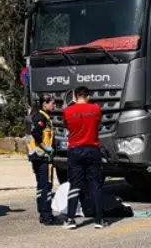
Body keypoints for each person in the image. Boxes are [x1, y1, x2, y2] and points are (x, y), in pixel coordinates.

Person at [63, 85, 105, 229]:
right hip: (92, 149)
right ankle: (99, 219)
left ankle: (70, 219)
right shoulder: (95, 109)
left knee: (74, 185)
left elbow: (67, 126)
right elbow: (98, 123)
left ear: (75, 96)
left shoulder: (67, 111)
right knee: (95, 184)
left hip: (75, 150)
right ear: (88, 96)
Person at [26, 94, 57, 225]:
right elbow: (36, 134)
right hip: (42, 157)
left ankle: (42, 212)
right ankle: (47, 215)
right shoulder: (41, 117)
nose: (54, 106)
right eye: (52, 103)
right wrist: (46, 148)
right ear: (45, 104)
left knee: (41, 185)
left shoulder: (43, 117)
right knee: (46, 185)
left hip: (37, 156)